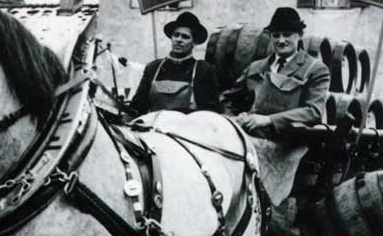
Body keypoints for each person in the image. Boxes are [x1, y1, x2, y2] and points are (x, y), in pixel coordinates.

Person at [226, 7, 330, 138]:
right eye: (276, 35)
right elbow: (227, 100)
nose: (281, 41)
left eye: (287, 34)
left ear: (299, 35)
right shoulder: (256, 67)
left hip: (290, 145)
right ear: (270, 36)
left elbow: (314, 112)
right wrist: (236, 117)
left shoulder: (315, 69)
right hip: (251, 140)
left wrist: (269, 120)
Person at [129, 11, 220, 116]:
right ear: (171, 38)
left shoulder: (203, 70)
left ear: (195, 42)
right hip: (154, 128)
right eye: (176, 35)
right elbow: (138, 107)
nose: (179, 40)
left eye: (185, 37)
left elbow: (211, 113)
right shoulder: (153, 68)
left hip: (188, 129)